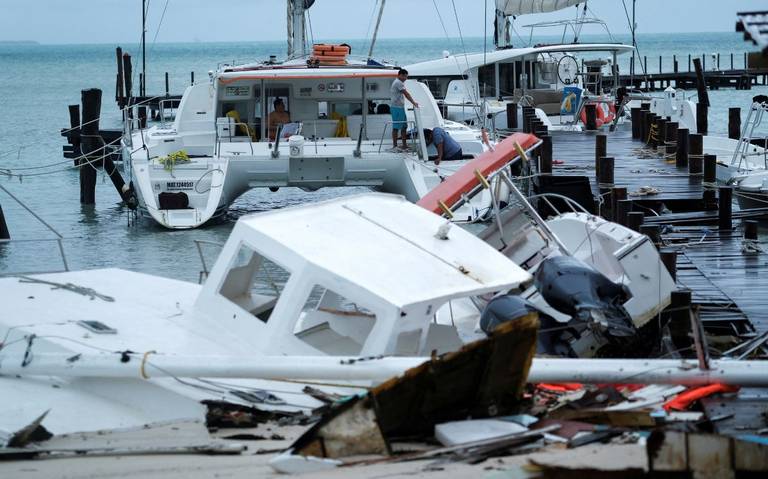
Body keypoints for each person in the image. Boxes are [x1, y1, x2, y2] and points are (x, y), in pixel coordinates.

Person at [390, 68, 419, 150]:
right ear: (400, 75)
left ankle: (404, 145)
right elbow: (406, 94)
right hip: (396, 108)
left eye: (406, 77)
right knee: (396, 127)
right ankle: (395, 146)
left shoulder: (399, 82)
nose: (406, 78)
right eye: (405, 76)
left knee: (404, 126)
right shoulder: (398, 83)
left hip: (400, 108)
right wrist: (414, 102)